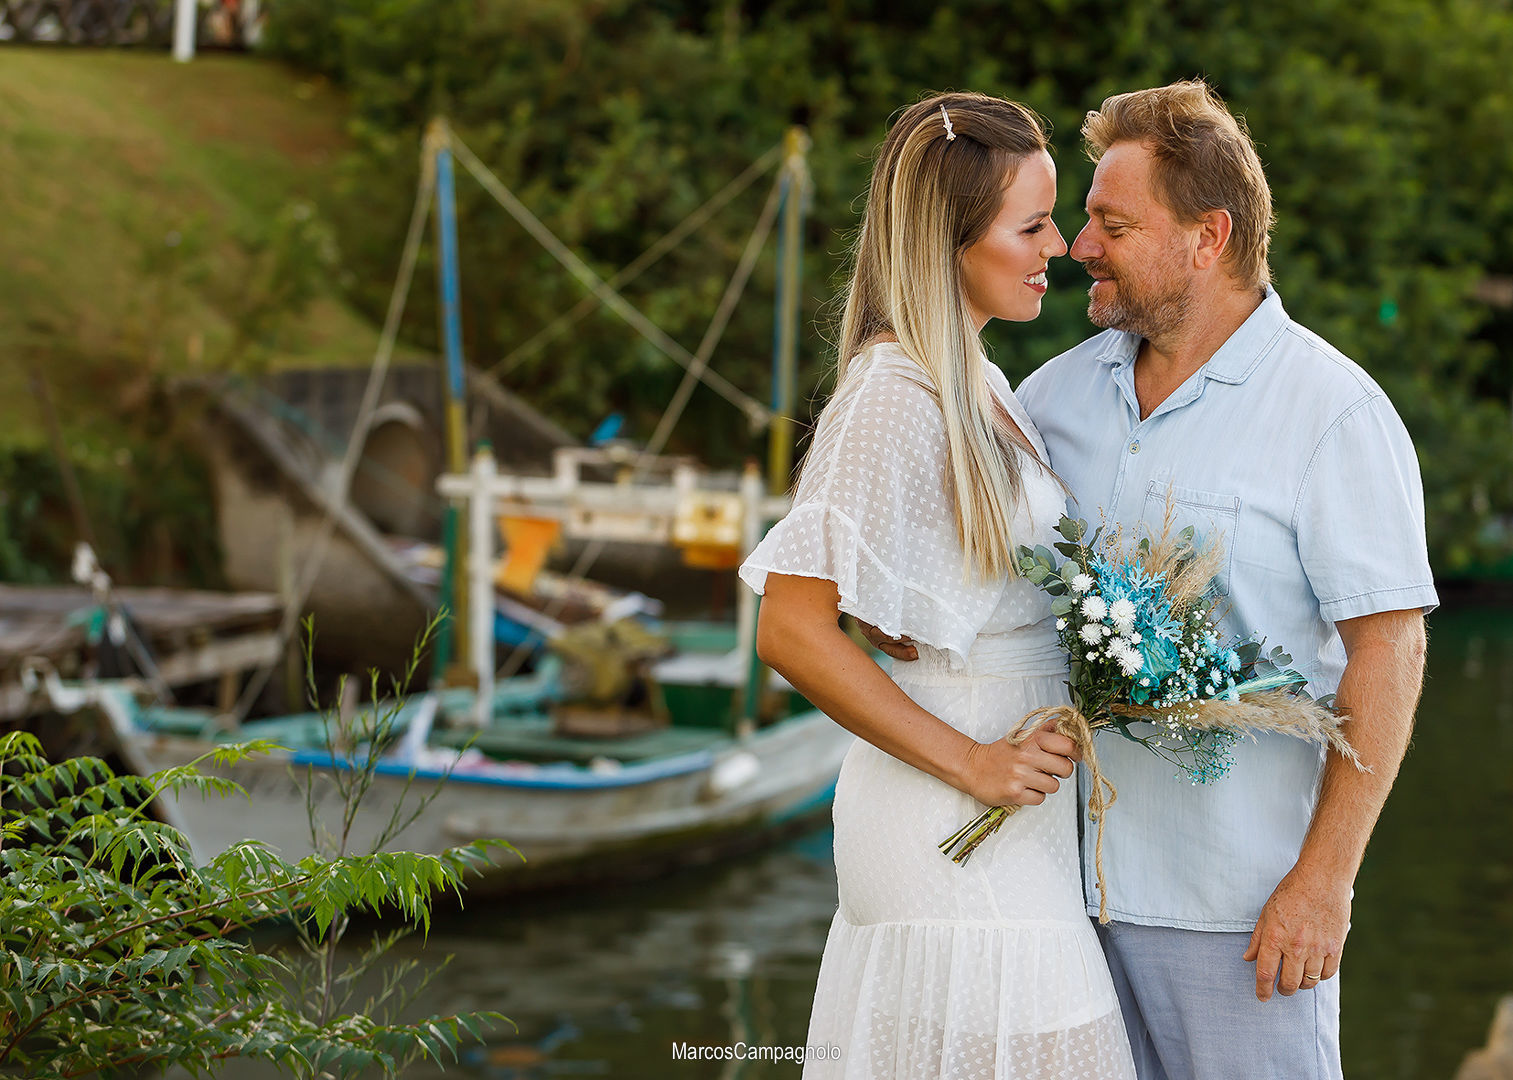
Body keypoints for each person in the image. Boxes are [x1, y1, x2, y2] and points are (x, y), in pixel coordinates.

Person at [866, 81, 1435, 1080]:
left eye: (1110, 223)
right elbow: (976, 569)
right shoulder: (1048, 397)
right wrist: (898, 615)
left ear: (1206, 238)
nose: (1079, 243)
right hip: (1048, 907)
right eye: (1081, 218)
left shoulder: (1332, 412)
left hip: (1238, 919)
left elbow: (1389, 650)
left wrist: (1323, 882)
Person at [739, 92, 1136, 1079]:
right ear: (950, 238)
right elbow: (791, 629)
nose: (1057, 244)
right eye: (1030, 224)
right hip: (948, 826)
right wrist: (971, 762)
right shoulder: (890, 392)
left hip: (1013, 828)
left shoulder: (982, 382)